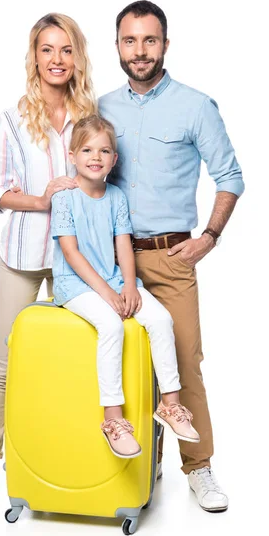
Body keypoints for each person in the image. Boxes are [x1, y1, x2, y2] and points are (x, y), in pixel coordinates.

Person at [99, 0, 244, 511]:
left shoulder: (195, 105)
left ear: (165, 43)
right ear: (117, 45)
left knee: (183, 363)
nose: (140, 51)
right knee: (113, 362)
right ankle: (131, 465)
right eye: (129, 40)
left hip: (170, 258)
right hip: (112, 261)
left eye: (149, 40)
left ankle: (199, 468)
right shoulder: (101, 108)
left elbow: (230, 177)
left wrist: (209, 237)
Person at [0, 13, 97, 516]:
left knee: (75, 363)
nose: (57, 60)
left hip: (79, 259)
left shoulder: (92, 115)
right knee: (5, 364)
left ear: (77, 57)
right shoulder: (11, 119)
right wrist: (43, 201)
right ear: (34, 56)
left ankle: (68, 460)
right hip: (23, 257)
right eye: (48, 50)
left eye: (66, 50)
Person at [51, 114, 200, 458]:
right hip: (76, 285)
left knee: (161, 320)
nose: (96, 157)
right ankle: (113, 419)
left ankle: (170, 404)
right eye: (87, 149)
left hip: (116, 280)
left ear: (114, 160)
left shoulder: (116, 196)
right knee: (111, 325)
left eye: (104, 151)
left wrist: (130, 286)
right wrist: (106, 294)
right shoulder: (64, 198)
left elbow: (123, 245)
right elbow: (70, 253)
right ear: (72, 155)